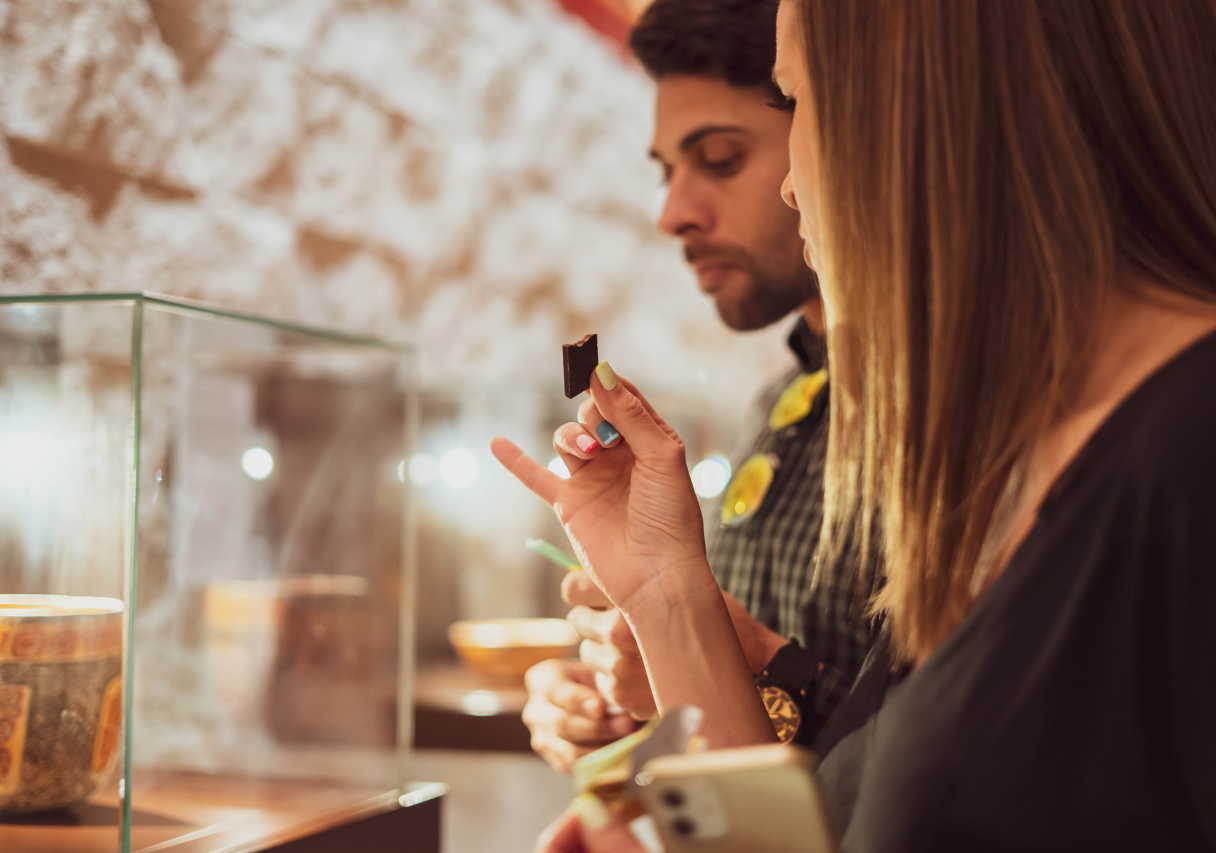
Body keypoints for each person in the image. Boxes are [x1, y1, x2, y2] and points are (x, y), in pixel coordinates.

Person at [496, 0, 1216, 849]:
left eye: (797, 103)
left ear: (933, 110)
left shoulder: (1186, 451)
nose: (794, 184)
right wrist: (665, 590)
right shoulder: (998, 467)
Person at [521, 0, 876, 775]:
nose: (673, 214)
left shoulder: (946, 413)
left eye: (718, 159)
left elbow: (966, 764)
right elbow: (725, 740)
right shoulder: (780, 410)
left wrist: (754, 660)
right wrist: (628, 705)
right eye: (667, 172)